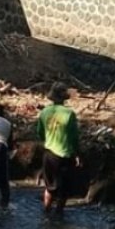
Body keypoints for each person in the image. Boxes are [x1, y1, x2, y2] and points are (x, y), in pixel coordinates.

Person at [37, 82, 81, 214]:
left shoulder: (44, 112)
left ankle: (46, 211)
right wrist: (77, 154)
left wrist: (49, 140)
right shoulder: (69, 114)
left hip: (49, 154)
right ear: (64, 98)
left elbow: (40, 132)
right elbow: (74, 137)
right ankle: (59, 214)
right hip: (64, 155)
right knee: (64, 189)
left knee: (49, 186)